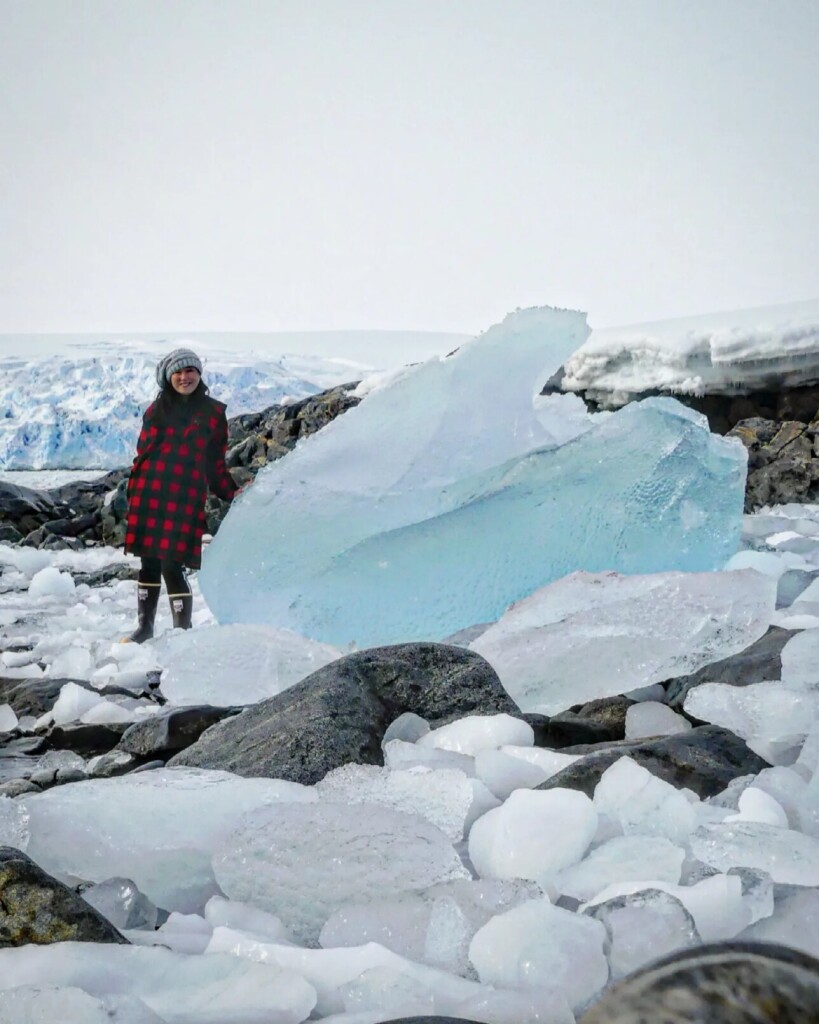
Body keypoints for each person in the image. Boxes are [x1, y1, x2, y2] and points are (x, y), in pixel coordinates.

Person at [121, 347, 237, 643]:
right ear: (168, 376)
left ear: (199, 374)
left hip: (184, 495)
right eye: (179, 372)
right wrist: (134, 490)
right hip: (150, 492)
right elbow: (142, 453)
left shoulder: (214, 413)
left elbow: (215, 463)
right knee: (148, 561)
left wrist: (232, 493)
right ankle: (144, 628)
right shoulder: (155, 410)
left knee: (173, 563)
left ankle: (182, 634)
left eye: (191, 371)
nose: (185, 377)